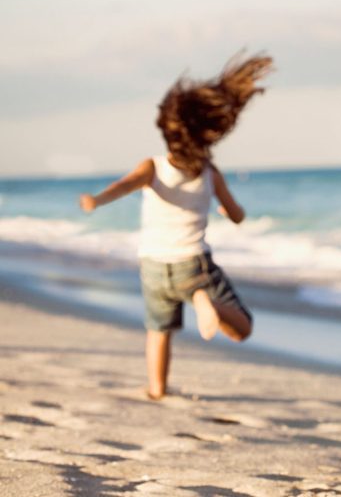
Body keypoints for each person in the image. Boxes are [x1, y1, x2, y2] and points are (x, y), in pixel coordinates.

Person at [79, 54, 272, 400]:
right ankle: (205, 301)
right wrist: (235, 214)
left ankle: (157, 389)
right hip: (192, 266)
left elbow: (124, 185)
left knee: (158, 330)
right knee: (242, 327)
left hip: (153, 265)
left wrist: (97, 200)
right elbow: (236, 214)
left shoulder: (152, 167)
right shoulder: (210, 174)